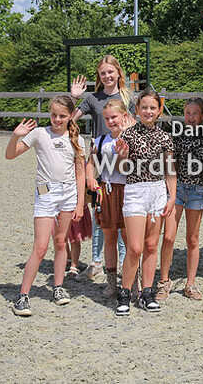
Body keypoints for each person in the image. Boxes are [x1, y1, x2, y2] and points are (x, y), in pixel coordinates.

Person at [6, 95, 85, 316]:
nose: (57, 119)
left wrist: (80, 203)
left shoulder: (77, 138)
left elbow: (80, 172)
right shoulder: (40, 133)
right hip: (46, 192)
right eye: (53, 115)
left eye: (62, 116)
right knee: (40, 246)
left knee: (61, 242)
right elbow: (10, 155)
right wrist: (15, 137)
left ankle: (58, 288)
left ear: (70, 116)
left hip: (68, 193)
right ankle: (23, 295)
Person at [71, 55, 134, 282]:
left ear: (118, 73)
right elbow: (70, 119)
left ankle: (122, 265)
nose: (107, 76)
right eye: (102, 73)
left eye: (110, 72)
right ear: (99, 77)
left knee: (122, 216)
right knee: (100, 214)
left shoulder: (128, 98)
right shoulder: (92, 98)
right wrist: (73, 98)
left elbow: (136, 124)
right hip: (98, 158)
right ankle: (97, 262)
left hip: (122, 158)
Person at [113, 89, 176, 316]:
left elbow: (170, 169)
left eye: (152, 108)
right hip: (136, 191)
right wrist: (121, 155)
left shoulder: (165, 137)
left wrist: (172, 197)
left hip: (158, 191)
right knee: (135, 248)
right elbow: (122, 168)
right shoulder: (128, 134)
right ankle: (125, 292)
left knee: (151, 246)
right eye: (144, 107)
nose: (148, 111)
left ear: (159, 111)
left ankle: (147, 292)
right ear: (137, 110)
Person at [158, 97, 203, 301]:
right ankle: (164, 281)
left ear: (202, 115)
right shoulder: (177, 133)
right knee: (168, 237)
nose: (191, 117)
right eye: (188, 113)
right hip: (178, 188)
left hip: (197, 190)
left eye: (195, 113)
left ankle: (190, 283)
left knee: (192, 239)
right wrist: (171, 193)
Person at [85, 100, 134, 298]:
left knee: (129, 239)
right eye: (107, 118)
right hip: (106, 189)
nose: (111, 121)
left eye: (114, 117)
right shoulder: (101, 140)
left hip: (127, 190)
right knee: (110, 238)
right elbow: (91, 162)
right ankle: (112, 281)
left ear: (124, 116)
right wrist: (89, 176)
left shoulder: (131, 137)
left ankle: (131, 280)